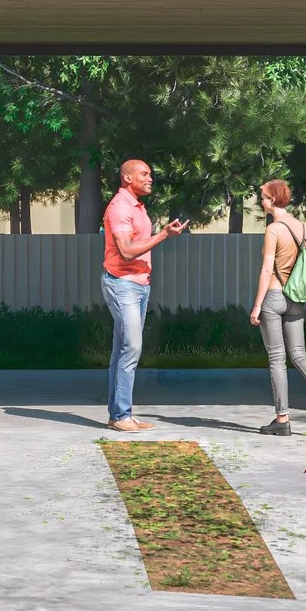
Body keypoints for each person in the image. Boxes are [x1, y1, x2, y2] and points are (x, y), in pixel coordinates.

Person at [101, 157, 186, 433]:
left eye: (150, 174)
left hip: (139, 284)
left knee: (121, 350)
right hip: (122, 283)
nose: (150, 178)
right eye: (144, 174)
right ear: (128, 177)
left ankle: (119, 414)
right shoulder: (119, 207)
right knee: (132, 348)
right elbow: (125, 250)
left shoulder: (137, 206)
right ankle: (122, 414)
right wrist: (163, 235)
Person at [248, 178, 306, 436]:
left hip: (274, 296)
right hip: (296, 298)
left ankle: (282, 419)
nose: (261, 201)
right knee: (300, 355)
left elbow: (266, 269)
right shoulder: (302, 228)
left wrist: (256, 306)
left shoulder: (274, 229)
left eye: (263, 197)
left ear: (272, 200)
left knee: (277, 359)